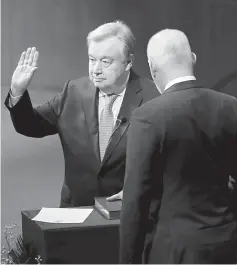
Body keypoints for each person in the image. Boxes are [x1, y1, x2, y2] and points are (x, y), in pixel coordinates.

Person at [5, 21, 159, 207]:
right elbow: (29, 125)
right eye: (92, 59)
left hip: (130, 214)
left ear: (128, 62)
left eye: (105, 61)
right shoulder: (73, 91)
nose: (96, 70)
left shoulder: (154, 98)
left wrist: (143, 190)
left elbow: (171, 162)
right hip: (76, 214)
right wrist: (17, 91)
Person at [120, 29, 237, 264]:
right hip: (228, 244)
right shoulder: (231, 106)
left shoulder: (148, 116)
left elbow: (135, 202)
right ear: (192, 58)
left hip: (175, 252)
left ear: (152, 68)